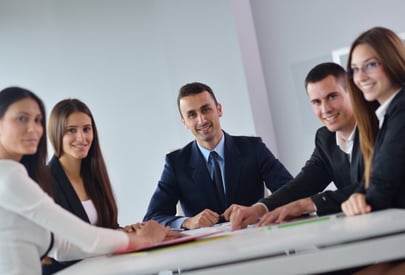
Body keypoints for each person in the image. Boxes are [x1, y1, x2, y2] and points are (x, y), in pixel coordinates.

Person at [0, 86, 179, 275]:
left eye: (38, 120)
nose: (34, 128)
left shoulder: (16, 174)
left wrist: (130, 236)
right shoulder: (9, 177)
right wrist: (145, 239)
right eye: (22, 118)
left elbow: (62, 247)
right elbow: (87, 238)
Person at [224, 62, 363, 230]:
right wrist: (259, 208)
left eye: (332, 97)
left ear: (352, 93)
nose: (325, 109)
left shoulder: (381, 128)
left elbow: (377, 184)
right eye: (316, 102)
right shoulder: (325, 138)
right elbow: (302, 184)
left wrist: (307, 204)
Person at [143, 82, 293, 229]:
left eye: (206, 109)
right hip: (207, 251)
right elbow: (153, 217)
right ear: (184, 122)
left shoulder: (253, 148)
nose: (201, 120)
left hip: (258, 243)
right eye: (192, 115)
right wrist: (187, 222)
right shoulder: (176, 163)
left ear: (219, 109)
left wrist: (259, 209)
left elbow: (291, 192)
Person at [340, 26, 405, 275]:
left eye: (370, 65)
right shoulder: (387, 115)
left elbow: (383, 183)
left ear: (392, 60)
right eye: (355, 69)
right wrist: (357, 197)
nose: (360, 77)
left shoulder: (402, 107)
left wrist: (363, 201)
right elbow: (373, 178)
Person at [42, 98, 121, 273]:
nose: (82, 138)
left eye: (87, 129)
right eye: (71, 130)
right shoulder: (44, 181)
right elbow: (58, 250)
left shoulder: (94, 175)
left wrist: (129, 232)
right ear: (56, 133)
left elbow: (106, 228)